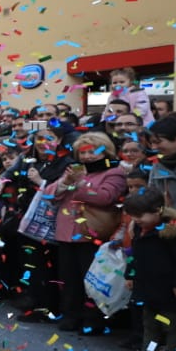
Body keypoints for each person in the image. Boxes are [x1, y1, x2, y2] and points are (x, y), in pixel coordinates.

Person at [44, 131, 126, 332]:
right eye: (83, 152)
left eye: (93, 152)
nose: (87, 156)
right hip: (67, 233)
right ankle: (71, 316)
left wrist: (79, 184)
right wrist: (64, 183)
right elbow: (48, 195)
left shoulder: (114, 172)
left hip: (92, 234)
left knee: (92, 280)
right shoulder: (74, 169)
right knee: (69, 279)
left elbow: (106, 197)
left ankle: (93, 320)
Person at [118, 191, 176, 351]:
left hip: (167, 287)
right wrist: (131, 275)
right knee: (150, 323)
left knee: (172, 324)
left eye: (140, 215)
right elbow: (135, 255)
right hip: (147, 285)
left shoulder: (173, 233)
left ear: (158, 211)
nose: (136, 219)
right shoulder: (139, 229)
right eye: (133, 215)